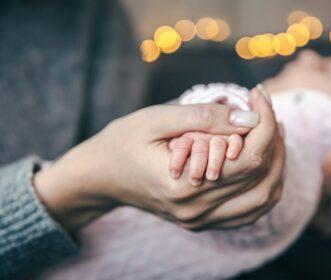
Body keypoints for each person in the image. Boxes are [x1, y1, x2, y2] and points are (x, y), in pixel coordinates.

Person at [40, 51, 331, 279]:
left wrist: (223, 121)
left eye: (327, 68)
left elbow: (272, 166)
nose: (308, 55)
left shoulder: (294, 150)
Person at [0, 1, 285, 279]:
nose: (310, 58)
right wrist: (82, 184)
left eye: (326, 69)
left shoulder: (98, 15)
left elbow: (147, 151)